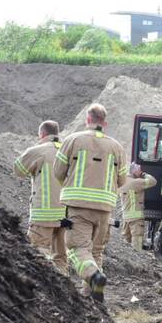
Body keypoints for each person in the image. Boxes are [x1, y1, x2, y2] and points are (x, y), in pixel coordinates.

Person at [53, 103, 127, 300]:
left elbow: (58, 172)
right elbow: (122, 180)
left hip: (78, 206)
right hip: (105, 209)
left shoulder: (72, 140)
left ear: (87, 120)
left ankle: (94, 276)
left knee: (77, 249)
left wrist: (69, 187)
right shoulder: (117, 147)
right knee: (96, 251)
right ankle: (91, 296)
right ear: (105, 122)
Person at [13, 120, 67, 272]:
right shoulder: (67, 150)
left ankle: (44, 288)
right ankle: (63, 289)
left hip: (43, 214)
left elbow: (18, 169)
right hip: (66, 214)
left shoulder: (38, 150)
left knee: (38, 251)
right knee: (61, 256)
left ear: (42, 134)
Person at [117, 163, 157, 252]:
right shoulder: (136, 182)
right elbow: (153, 181)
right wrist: (144, 174)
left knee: (125, 245)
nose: (141, 171)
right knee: (137, 246)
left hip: (126, 218)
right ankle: (136, 265)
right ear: (134, 171)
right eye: (139, 169)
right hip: (136, 219)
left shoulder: (122, 182)